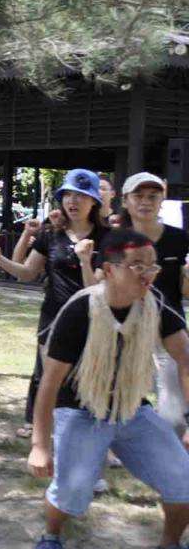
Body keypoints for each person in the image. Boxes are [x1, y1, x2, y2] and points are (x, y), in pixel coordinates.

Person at [28, 227, 189, 549]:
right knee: (72, 490)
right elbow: (49, 384)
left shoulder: (156, 304)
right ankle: (51, 534)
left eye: (153, 266)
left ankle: (170, 545)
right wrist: (40, 446)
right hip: (80, 408)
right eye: (137, 266)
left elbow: (186, 361)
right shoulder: (80, 309)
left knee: (184, 480)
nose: (148, 274)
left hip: (131, 407)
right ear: (110, 269)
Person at [0, 168, 106, 438]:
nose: (73, 201)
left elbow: (96, 291)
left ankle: (93, 440)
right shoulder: (50, 233)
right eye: (68, 195)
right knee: (51, 382)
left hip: (93, 320)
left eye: (81, 196)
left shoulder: (106, 237)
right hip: (54, 320)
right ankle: (49, 439)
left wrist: (85, 261)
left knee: (90, 381)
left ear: (94, 201)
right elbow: (28, 272)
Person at [118, 172, 189, 433]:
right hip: (126, 328)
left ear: (162, 200)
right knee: (122, 399)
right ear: (125, 200)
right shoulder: (116, 240)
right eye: (138, 196)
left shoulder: (179, 239)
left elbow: (185, 291)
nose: (146, 202)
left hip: (169, 330)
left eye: (153, 196)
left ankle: (171, 447)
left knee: (173, 409)